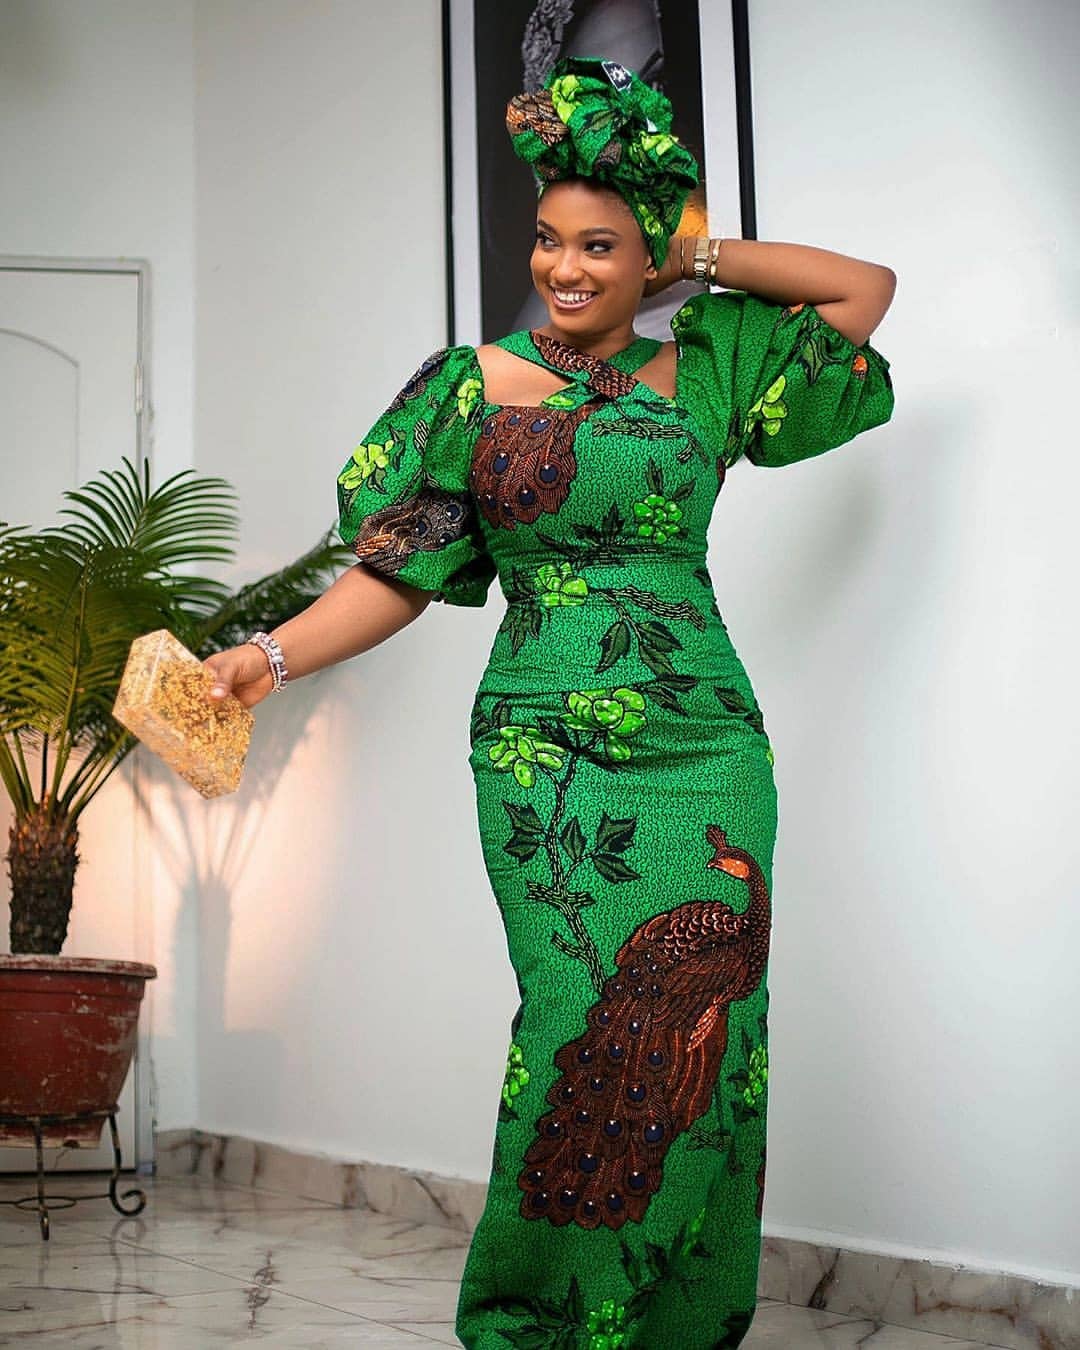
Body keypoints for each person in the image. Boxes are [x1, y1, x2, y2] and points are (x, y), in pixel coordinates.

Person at [205, 54, 896, 1350]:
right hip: (544, 747)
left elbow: (865, 290)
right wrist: (268, 658)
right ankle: (531, 1324)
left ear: (651, 259)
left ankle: (675, 1326)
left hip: (706, 746)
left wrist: (698, 251)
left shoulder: (711, 367)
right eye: (547, 240)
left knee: (716, 1043)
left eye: (599, 246)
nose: (563, 268)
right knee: (577, 1014)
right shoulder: (466, 388)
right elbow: (397, 575)